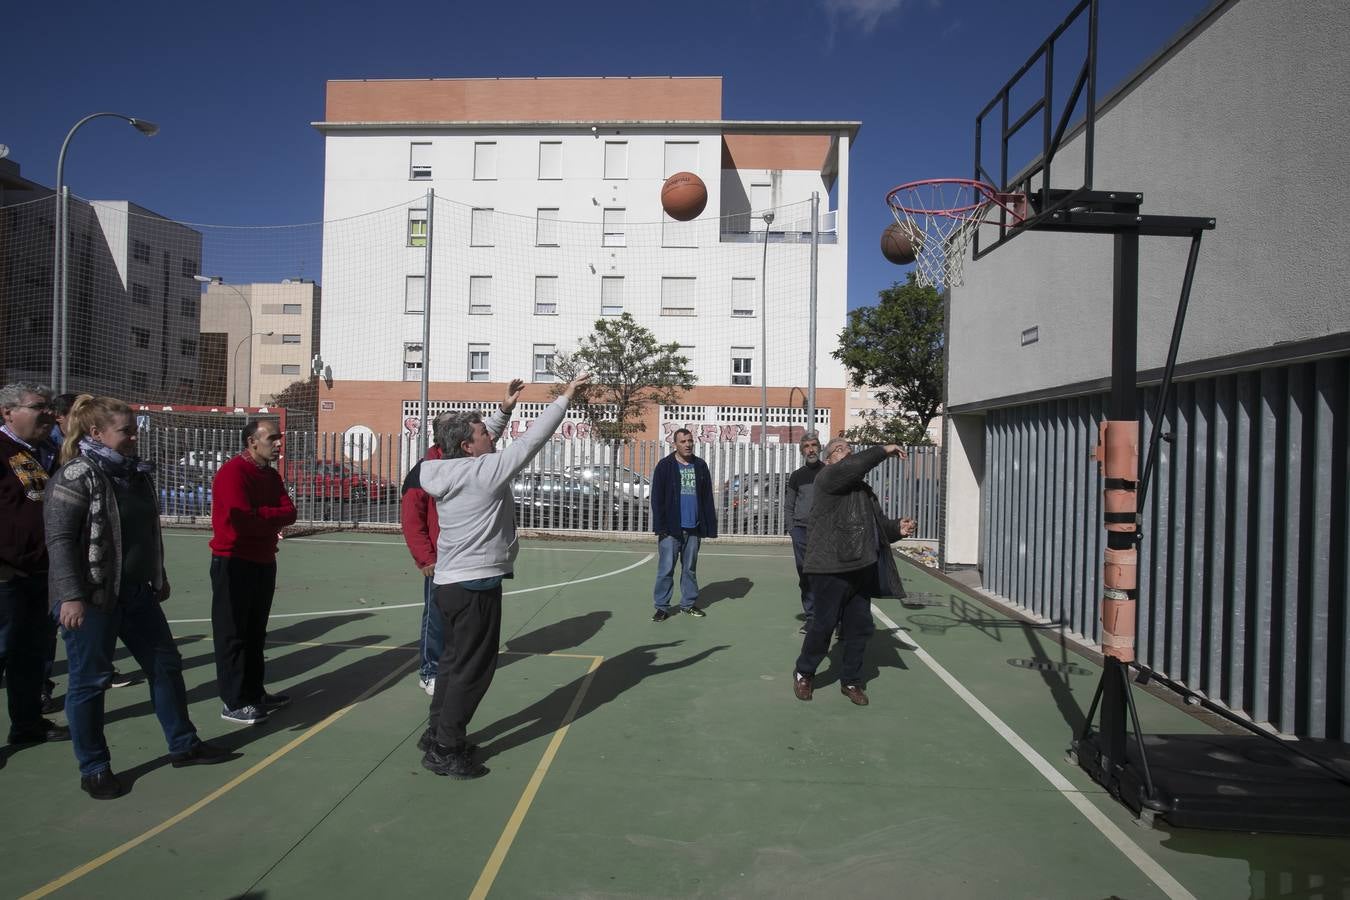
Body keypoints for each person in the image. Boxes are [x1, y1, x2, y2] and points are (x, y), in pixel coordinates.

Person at [45, 395, 231, 799]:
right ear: (96, 433)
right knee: (89, 682)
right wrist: (71, 596)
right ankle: (94, 767)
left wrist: (157, 574)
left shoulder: (135, 475)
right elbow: (58, 541)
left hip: (136, 594)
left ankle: (184, 745)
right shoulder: (78, 475)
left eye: (134, 429)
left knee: (165, 665)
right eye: (125, 431)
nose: (134, 437)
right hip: (92, 598)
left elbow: (148, 532)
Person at [416, 371, 591, 779]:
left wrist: (501, 411)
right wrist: (565, 396)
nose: (491, 435)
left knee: (450, 665)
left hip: (447, 585)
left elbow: (475, 441)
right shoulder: (485, 472)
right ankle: (446, 748)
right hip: (475, 586)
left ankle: (435, 732)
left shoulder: (440, 467)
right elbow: (533, 440)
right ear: (467, 445)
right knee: (471, 673)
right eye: (483, 432)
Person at [400, 380, 524, 695]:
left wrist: (505, 410)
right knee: (436, 616)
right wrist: (425, 557)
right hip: (441, 558)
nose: (481, 435)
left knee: (461, 625)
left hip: (466, 557)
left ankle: (453, 669)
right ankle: (430, 670)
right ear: (451, 437)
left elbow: (486, 434)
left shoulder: (466, 461)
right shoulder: (427, 471)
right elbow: (411, 520)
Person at [792, 438, 916, 707]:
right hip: (829, 567)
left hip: (860, 567)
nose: (846, 452)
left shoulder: (863, 490)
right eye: (838, 450)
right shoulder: (827, 478)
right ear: (829, 460)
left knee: (858, 629)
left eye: (848, 448)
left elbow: (877, 525)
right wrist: (884, 449)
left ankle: (851, 680)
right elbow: (855, 466)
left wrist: (897, 528)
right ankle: (805, 672)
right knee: (823, 626)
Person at [209, 418, 297, 726]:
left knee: (256, 631)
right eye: (272, 438)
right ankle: (233, 700)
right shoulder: (233, 473)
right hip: (233, 562)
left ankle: (254, 692)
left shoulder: (270, 476)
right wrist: (268, 518)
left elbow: (290, 511)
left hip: (262, 560)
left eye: (279, 438)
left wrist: (264, 517)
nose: (278, 443)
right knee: (233, 632)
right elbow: (241, 520)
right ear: (252, 442)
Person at [0, 383, 70, 762]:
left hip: (41, 573)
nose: (47, 414)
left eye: (47, 408)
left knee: (30, 655)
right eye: (37, 407)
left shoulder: (42, 453)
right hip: (7, 575)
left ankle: (26, 723)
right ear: (8, 412)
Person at [649, 428, 718, 622]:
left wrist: (709, 527)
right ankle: (662, 607)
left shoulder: (700, 466)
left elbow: (706, 498)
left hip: (693, 529)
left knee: (689, 569)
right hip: (671, 530)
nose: (687, 444)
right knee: (666, 570)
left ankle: (688, 604)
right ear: (675, 444)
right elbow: (657, 499)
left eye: (690, 441)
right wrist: (661, 526)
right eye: (683, 441)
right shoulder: (665, 466)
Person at [784, 431, 822, 634]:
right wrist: (792, 529)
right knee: (806, 575)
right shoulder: (797, 476)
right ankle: (812, 618)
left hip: (824, 533)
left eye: (814, 445)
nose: (811, 449)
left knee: (829, 576)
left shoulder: (829, 472)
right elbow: (789, 505)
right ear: (801, 451)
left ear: (820, 447)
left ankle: (836, 618)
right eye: (806, 446)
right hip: (801, 531)